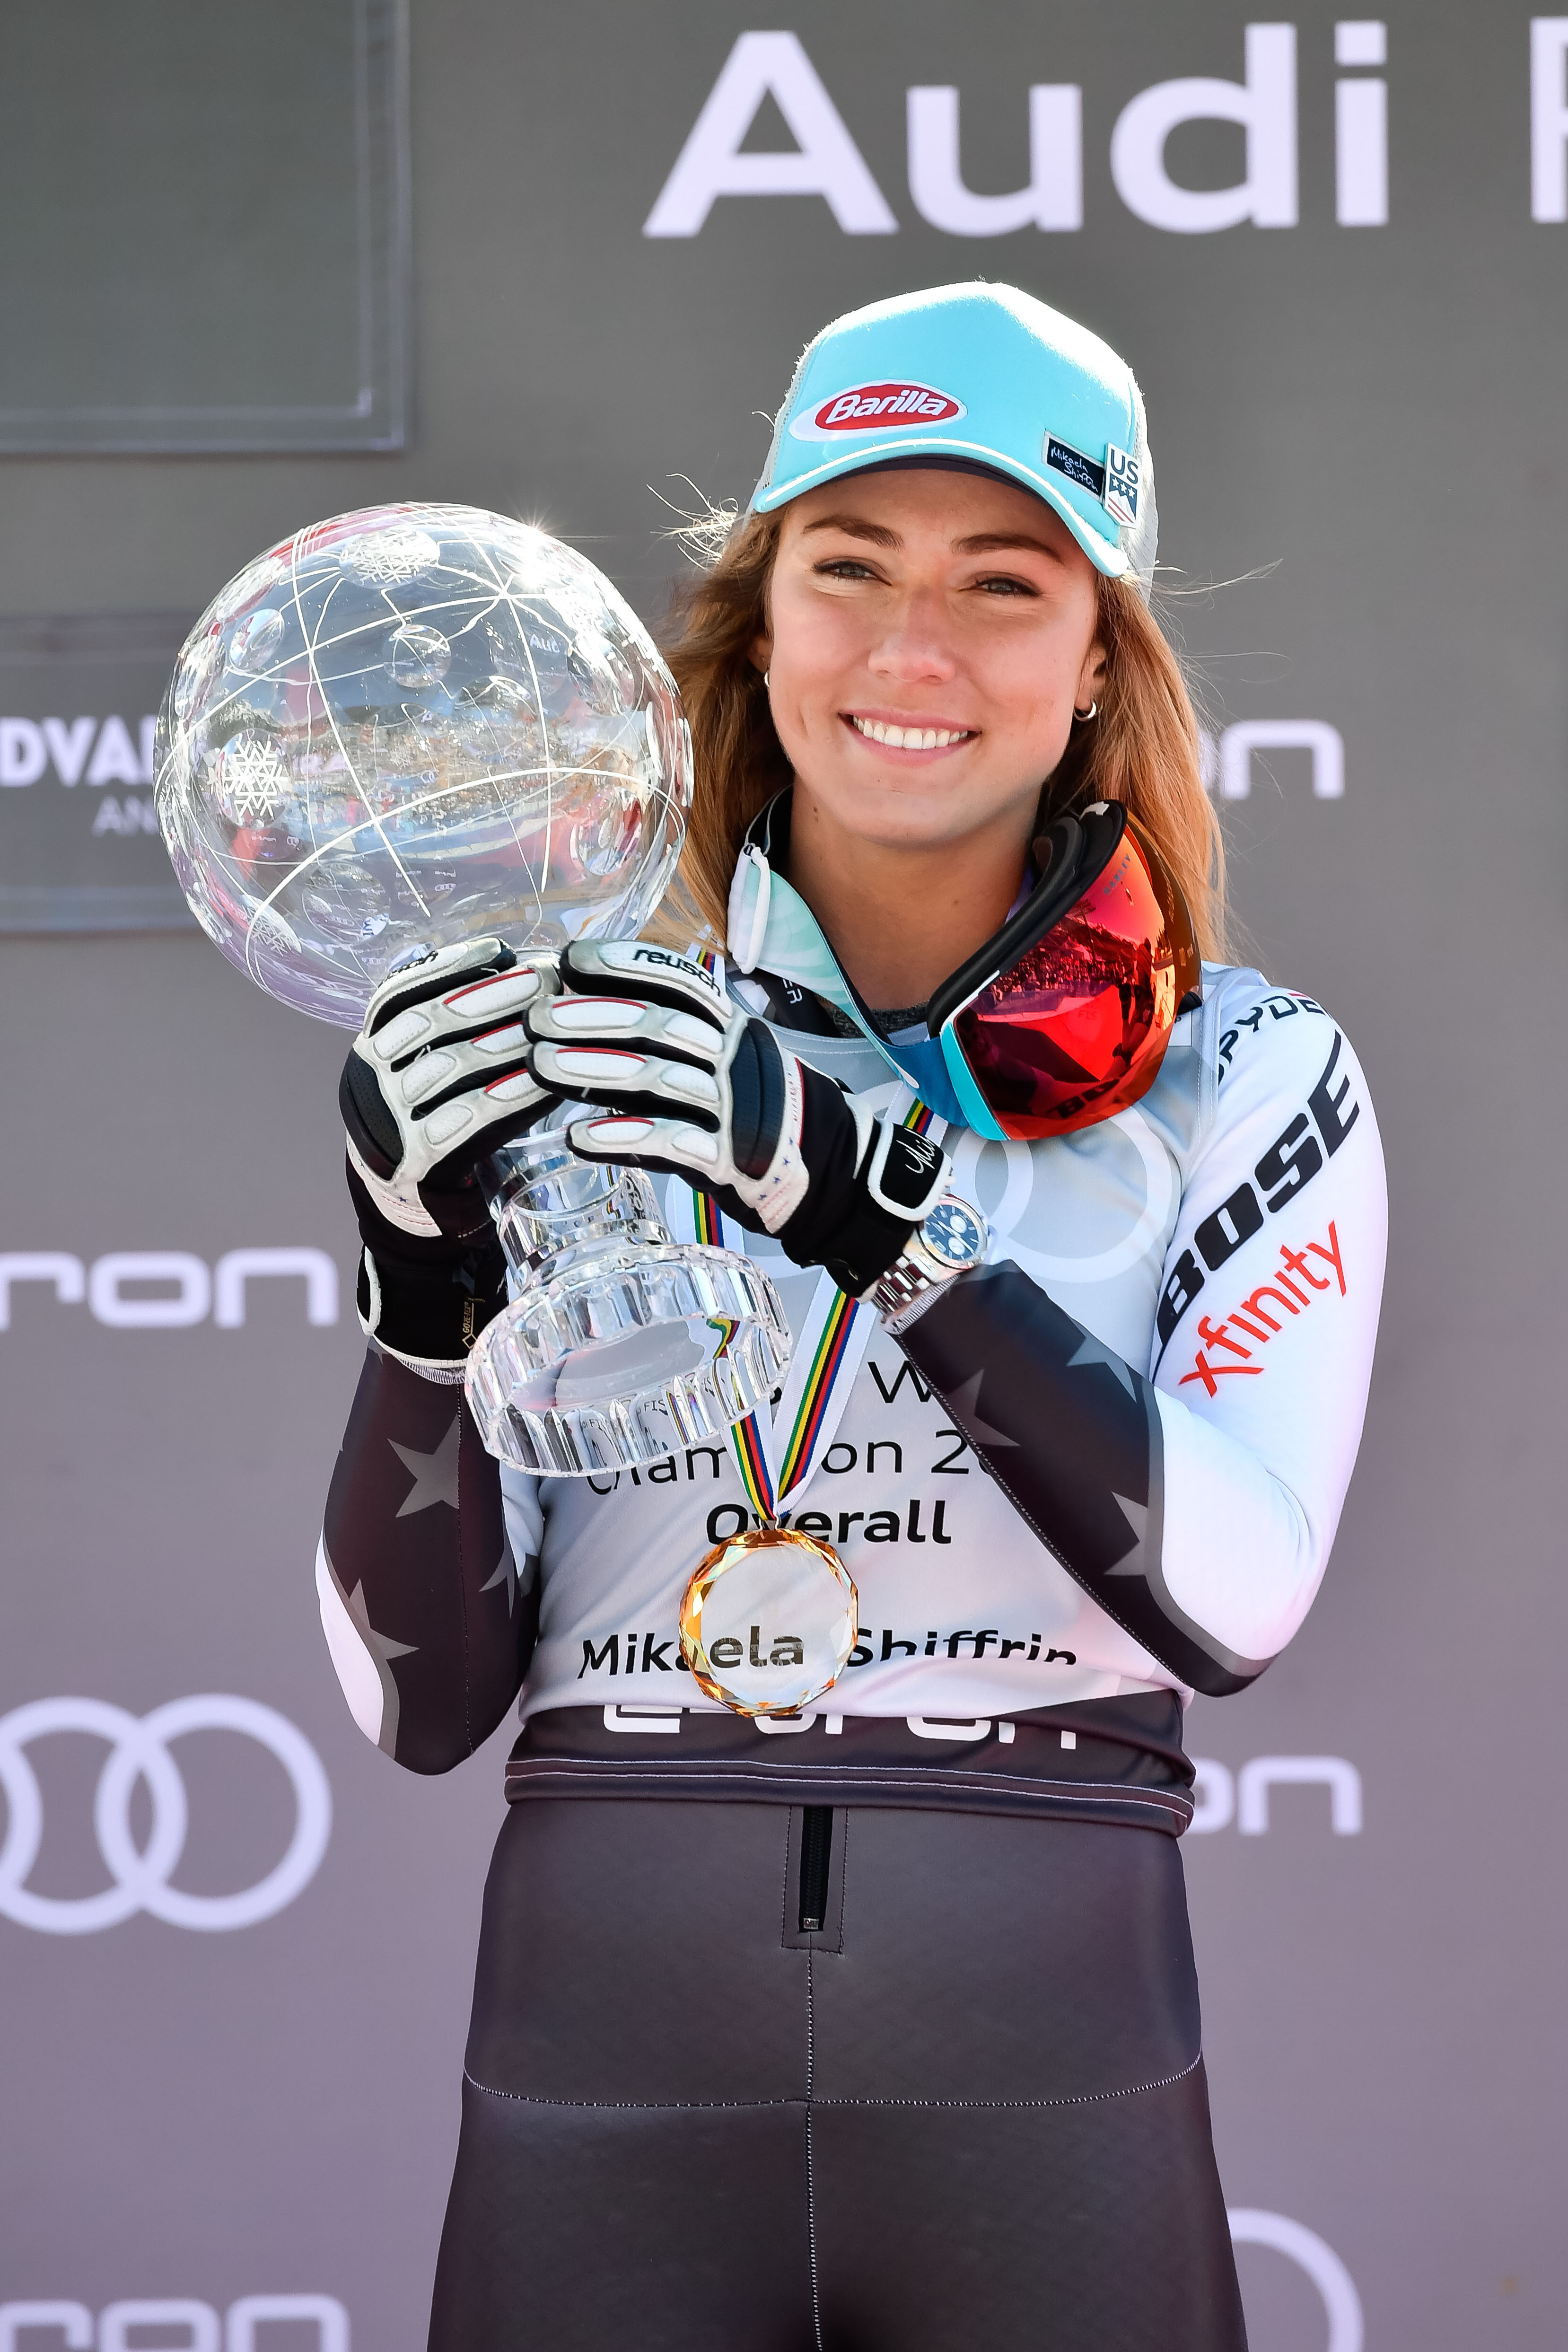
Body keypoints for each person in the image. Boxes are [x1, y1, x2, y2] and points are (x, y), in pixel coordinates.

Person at [317, 282, 1386, 2351]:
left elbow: (1233, 1601)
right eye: (848, 566)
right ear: (756, 625)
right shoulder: (573, 1052)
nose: (913, 648)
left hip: (1046, 2025)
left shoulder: (1247, 1072)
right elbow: (416, 1705)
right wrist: (419, 1307)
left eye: (1003, 581)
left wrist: (882, 1219)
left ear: (1099, 658)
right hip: (602, 2030)